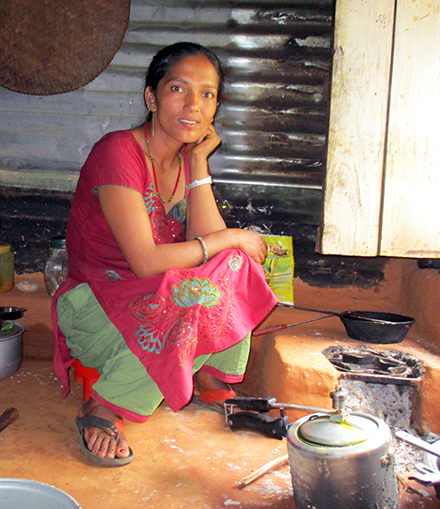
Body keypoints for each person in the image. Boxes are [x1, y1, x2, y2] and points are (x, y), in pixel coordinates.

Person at [52, 42, 278, 467]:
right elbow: (145, 261)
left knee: (234, 266)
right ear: (151, 97)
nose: (194, 104)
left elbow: (211, 248)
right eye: (179, 88)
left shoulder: (187, 158)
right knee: (202, 282)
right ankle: (102, 405)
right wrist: (230, 238)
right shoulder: (118, 152)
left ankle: (205, 374)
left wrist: (198, 165)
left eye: (208, 94)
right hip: (94, 306)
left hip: (156, 297)